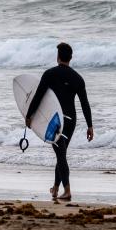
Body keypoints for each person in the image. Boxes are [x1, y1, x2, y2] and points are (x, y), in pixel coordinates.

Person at [26, 42, 93, 201]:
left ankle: (67, 190)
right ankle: (56, 188)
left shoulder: (49, 74)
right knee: (61, 154)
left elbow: (38, 96)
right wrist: (90, 125)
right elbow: (85, 103)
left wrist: (29, 115)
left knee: (61, 155)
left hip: (56, 120)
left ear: (58, 57)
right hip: (71, 120)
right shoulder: (78, 78)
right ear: (71, 58)